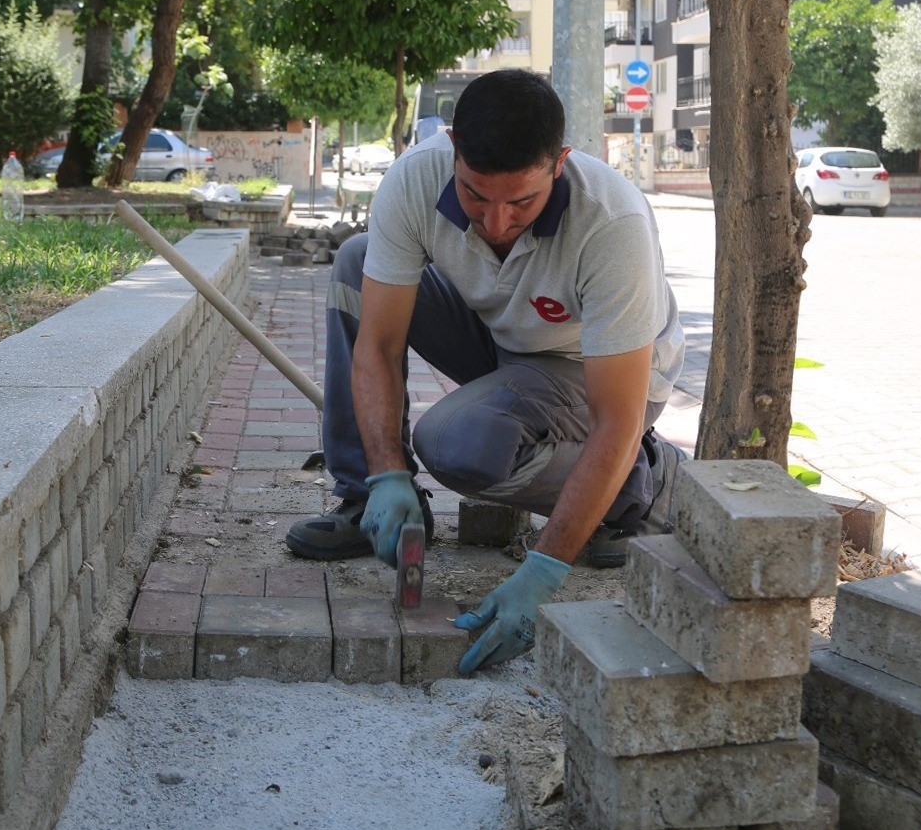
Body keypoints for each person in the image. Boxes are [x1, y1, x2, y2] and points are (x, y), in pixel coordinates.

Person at [285, 69, 686, 674]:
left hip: (594, 370)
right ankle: (368, 502)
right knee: (357, 263)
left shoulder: (611, 223)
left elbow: (616, 417)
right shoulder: (415, 179)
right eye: (475, 195)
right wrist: (388, 471)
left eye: (521, 202)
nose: (495, 222)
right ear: (451, 148)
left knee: (459, 446)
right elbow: (379, 344)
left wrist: (542, 573)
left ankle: (642, 485)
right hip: (503, 336)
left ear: (561, 163)